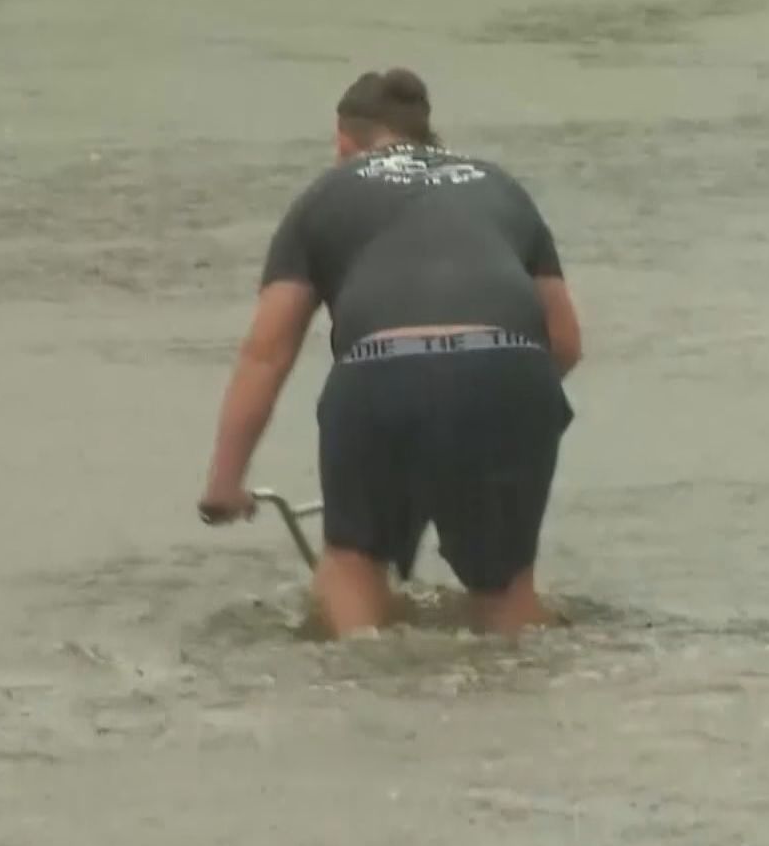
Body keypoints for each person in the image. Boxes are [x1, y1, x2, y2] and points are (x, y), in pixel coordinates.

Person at [196, 67, 583, 638]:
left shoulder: (328, 194)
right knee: (506, 594)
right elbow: (566, 343)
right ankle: (519, 712)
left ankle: (368, 698)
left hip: (381, 374)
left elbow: (266, 352)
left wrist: (224, 485)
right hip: (510, 372)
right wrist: (475, 408)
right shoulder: (499, 186)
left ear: (343, 142)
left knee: (350, 569)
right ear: (430, 137)